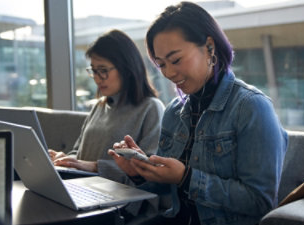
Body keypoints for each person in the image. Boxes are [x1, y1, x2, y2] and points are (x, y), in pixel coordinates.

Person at [108, 2, 288, 225]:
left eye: (175, 60)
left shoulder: (252, 107)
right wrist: (139, 171)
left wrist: (187, 177)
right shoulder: (175, 110)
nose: (169, 73)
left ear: (210, 47)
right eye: (161, 64)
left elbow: (261, 201)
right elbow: (167, 186)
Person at [49, 29, 165, 184]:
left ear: (126, 68)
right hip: (85, 188)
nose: (97, 79)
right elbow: (78, 152)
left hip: (122, 199)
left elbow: (149, 170)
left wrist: (97, 167)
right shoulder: (99, 106)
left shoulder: (151, 108)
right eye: (94, 71)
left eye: (103, 71)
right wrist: (64, 159)